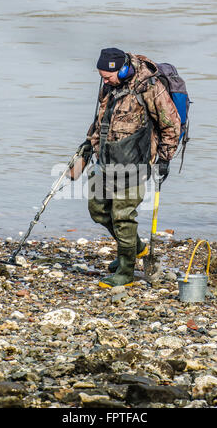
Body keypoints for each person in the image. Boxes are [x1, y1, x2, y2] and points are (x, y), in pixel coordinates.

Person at [78, 47, 181, 288]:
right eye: (101, 76)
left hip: (135, 160)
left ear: (123, 69)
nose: (104, 81)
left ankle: (125, 271)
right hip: (106, 159)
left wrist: (165, 159)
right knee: (98, 210)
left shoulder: (150, 87)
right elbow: (101, 119)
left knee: (123, 217)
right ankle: (136, 248)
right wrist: (89, 144)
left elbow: (171, 125)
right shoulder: (109, 86)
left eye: (108, 76)